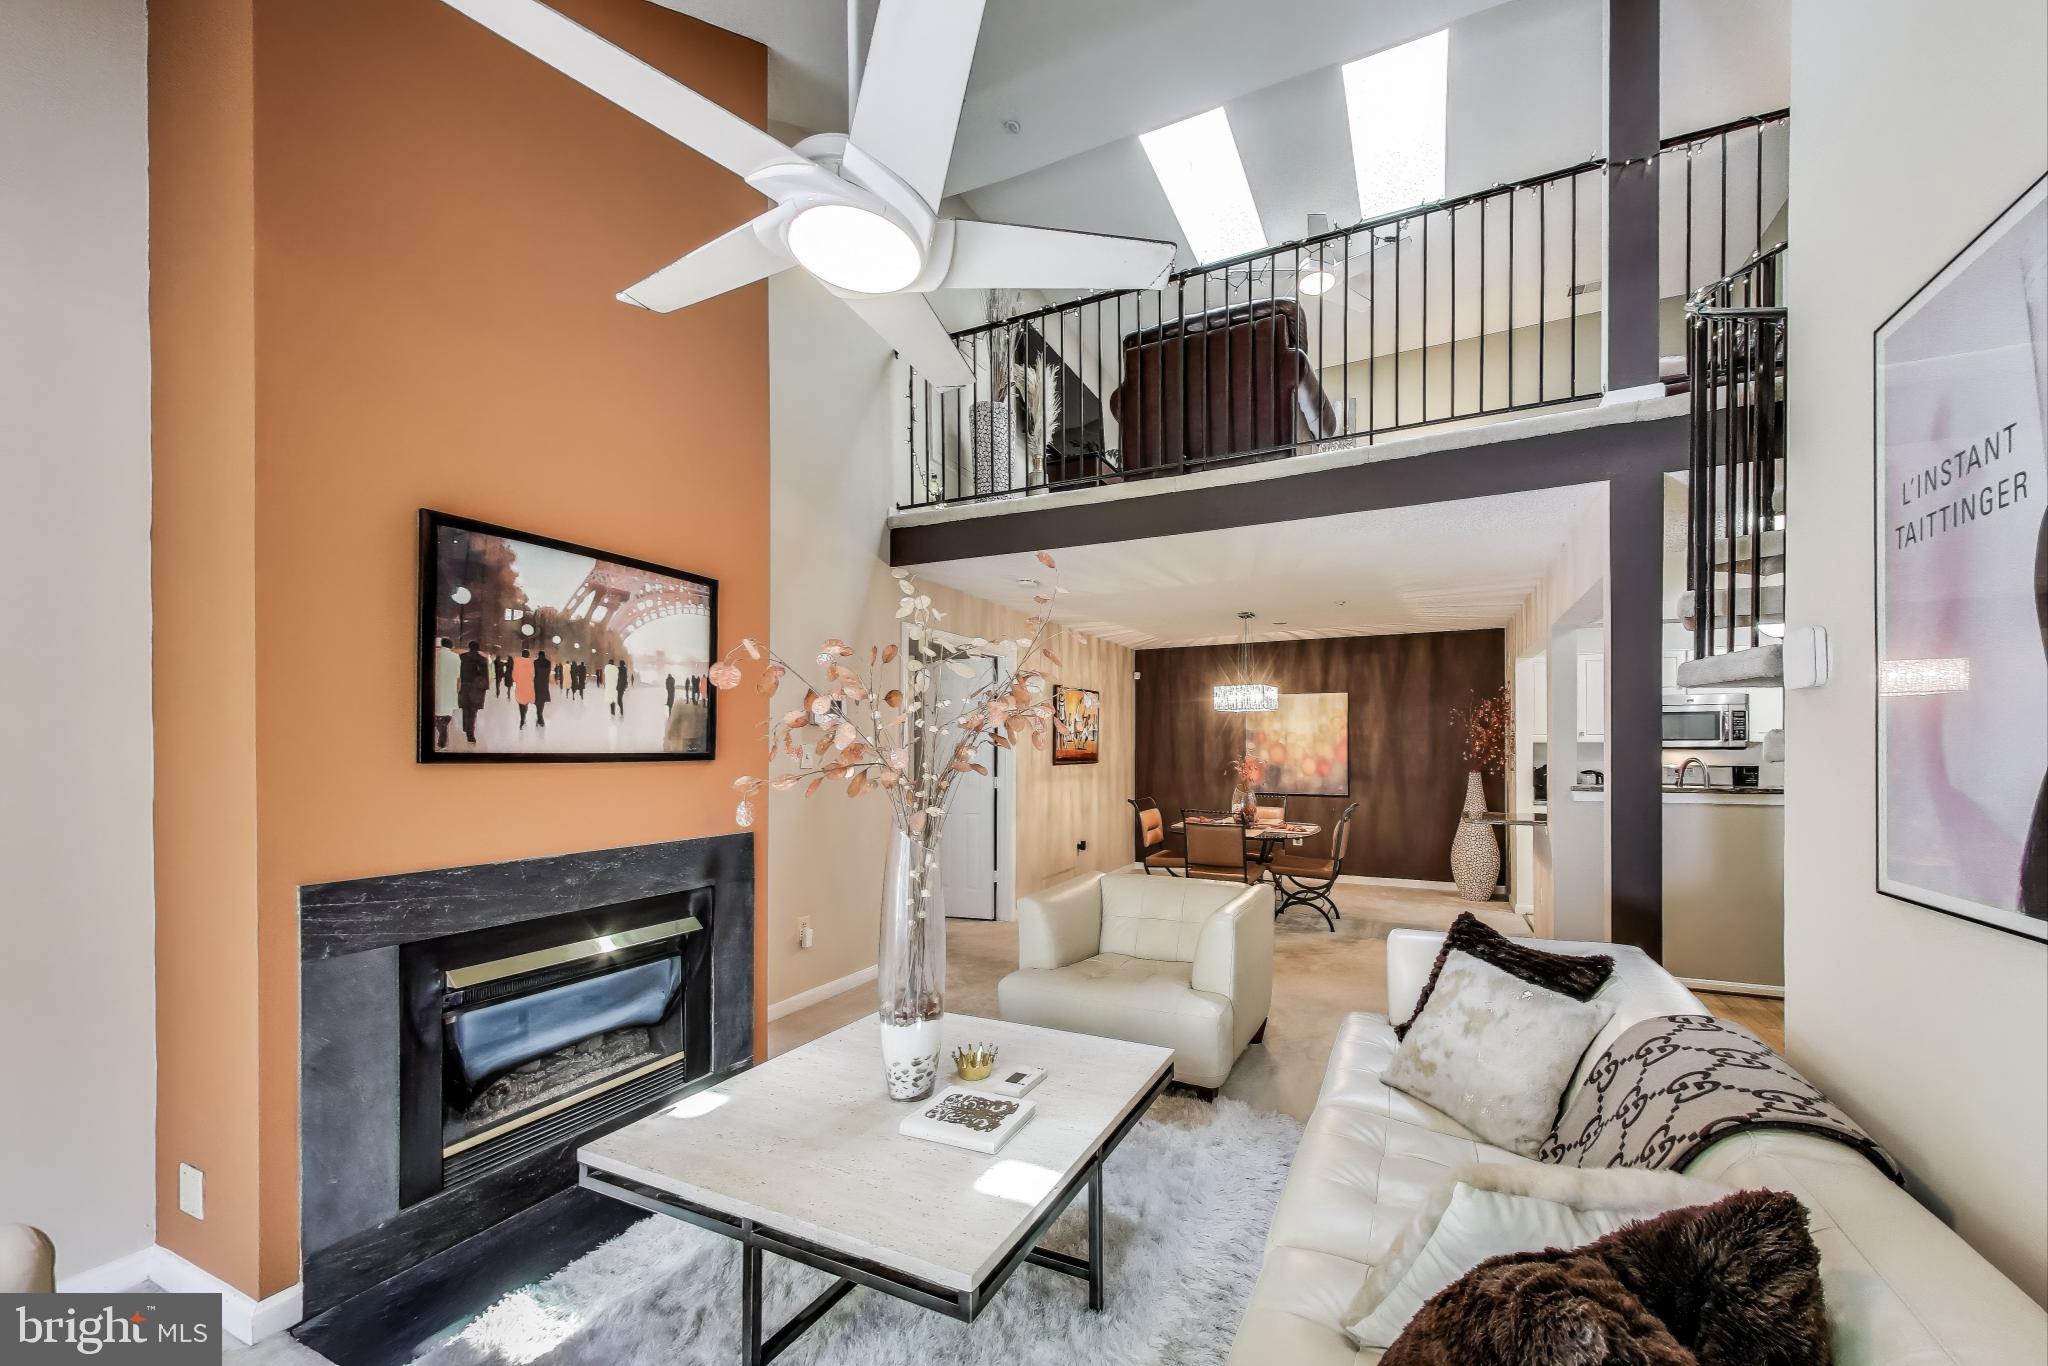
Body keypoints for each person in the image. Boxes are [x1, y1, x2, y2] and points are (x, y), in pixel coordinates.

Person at [431, 636, 461, 749]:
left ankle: (440, 735)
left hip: (435, 687)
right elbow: (458, 674)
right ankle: (442, 739)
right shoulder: (455, 657)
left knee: (436, 711)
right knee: (446, 714)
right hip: (449, 688)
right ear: (451, 646)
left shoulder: (436, 655)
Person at [457, 641, 489, 743]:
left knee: (465, 708)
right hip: (476, 688)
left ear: (469, 647)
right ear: (478, 648)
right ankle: (470, 734)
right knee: (473, 711)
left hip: (465, 686)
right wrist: (484, 689)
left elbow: (459, 672)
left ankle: (466, 728)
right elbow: (485, 676)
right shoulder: (482, 660)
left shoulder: (462, 657)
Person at [512, 648, 536, 729]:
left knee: (520, 702)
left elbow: (514, 676)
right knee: (526, 702)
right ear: (528, 655)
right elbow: (533, 675)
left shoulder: (517, 662)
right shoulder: (531, 663)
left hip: (520, 685)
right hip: (528, 685)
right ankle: (524, 717)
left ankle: (522, 718)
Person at [533, 649, 552, 729]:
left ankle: (540, 719)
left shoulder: (535, 662)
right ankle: (539, 718)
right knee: (542, 702)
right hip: (544, 684)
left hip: (537, 684)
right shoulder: (548, 663)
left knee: (538, 702)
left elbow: (534, 672)